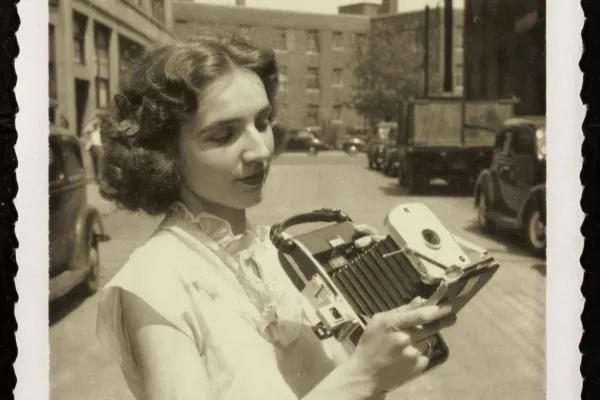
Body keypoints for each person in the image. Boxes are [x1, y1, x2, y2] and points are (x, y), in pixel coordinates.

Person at [96, 34, 456, 400]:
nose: (258, 150)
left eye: (263, 122)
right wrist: (360, 377)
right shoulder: (155, 280)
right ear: (164, 152)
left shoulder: (273, 251)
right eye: (224, 134)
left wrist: (378, 298)